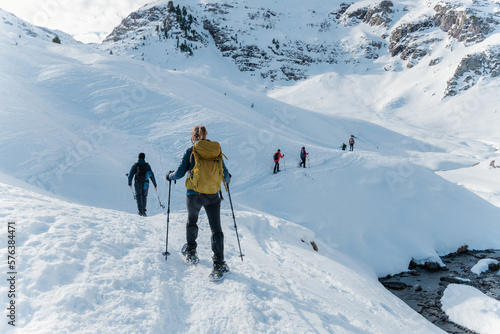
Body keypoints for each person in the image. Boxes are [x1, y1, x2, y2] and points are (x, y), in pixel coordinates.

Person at [166, 126, 231, 279]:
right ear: (206, 135)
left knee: (192, 221)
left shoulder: (190, 151)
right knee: (216, 229)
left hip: (194, 195)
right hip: (212, 196)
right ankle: (219, 264)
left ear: (192, 137)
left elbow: (180, 173)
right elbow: (226, 176)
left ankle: (191, 251)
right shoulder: (215, 151)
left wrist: (169, 176)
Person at [128, 152, 157, 217]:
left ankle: (140, 211)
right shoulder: (147, 165)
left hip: (137, 183)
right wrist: (155, 184)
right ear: (144, 158)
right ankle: (144, 211)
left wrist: (129, 183)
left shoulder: (135, 165)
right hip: (146, 184)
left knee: (138, 196)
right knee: (144, 196)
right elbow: (152, 175)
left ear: (138, 158)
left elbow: (130, 175)